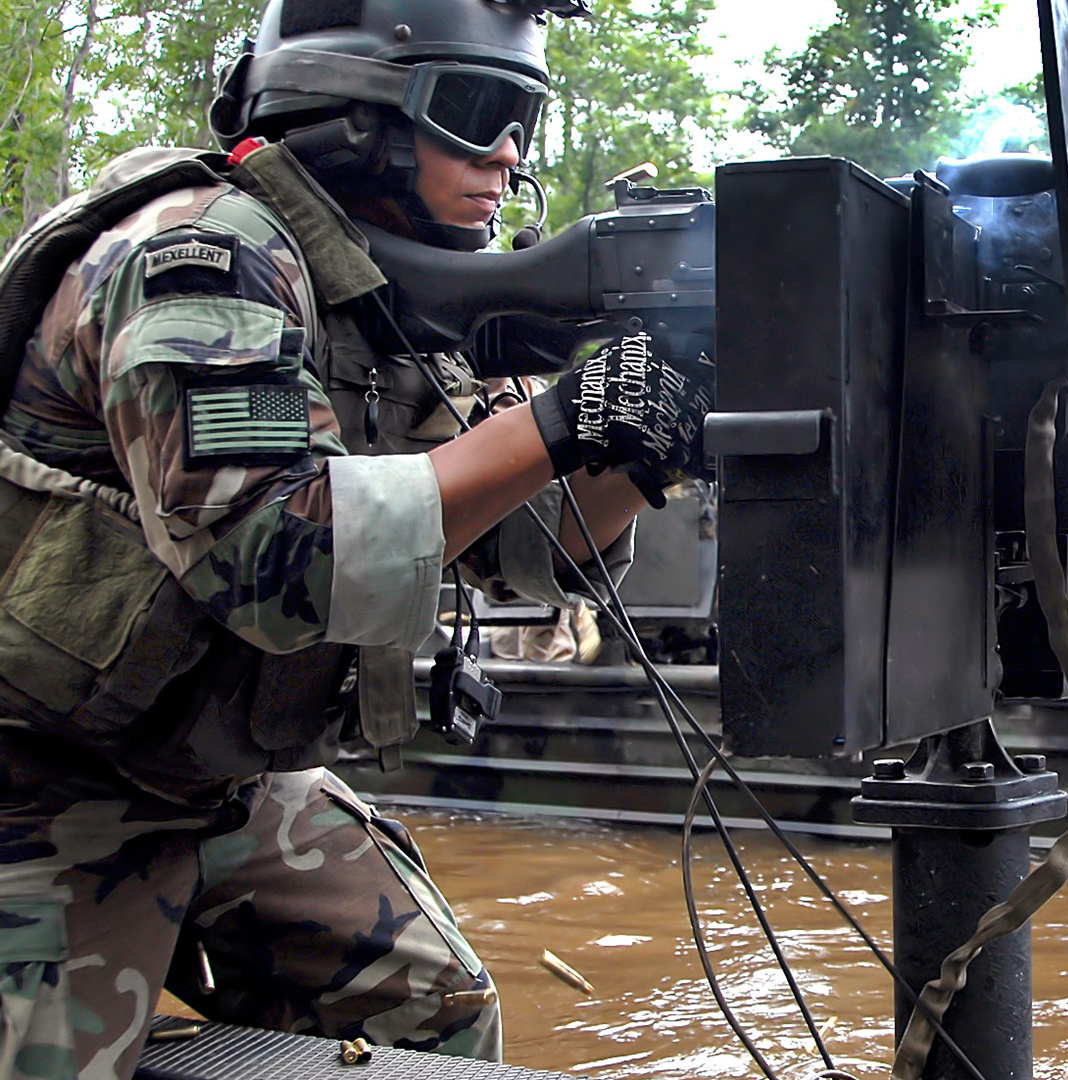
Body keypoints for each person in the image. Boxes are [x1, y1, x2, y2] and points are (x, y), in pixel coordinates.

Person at [0, 0, 708, 1075]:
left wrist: (640, 440)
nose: (510, 158)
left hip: (212, 768)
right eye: (479, 112)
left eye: (526, 121)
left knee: (430, 1012)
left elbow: (533, 551)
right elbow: (275, 558)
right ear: (355, 113)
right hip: (43, 770)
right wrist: (558, 421)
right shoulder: (205, 256)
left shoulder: (381, 306)